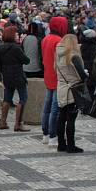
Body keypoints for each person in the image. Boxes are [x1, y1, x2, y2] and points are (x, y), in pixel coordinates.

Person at [0, 25, 30, 131]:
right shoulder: (16, 47)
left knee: (7, 98)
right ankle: (18, 124)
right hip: (18, 75)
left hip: (7, 75)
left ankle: (3, 122)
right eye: (16, 34)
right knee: (23, 98)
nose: (18, 35)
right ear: (12, 35)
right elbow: (26, 60)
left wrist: (3, 68)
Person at [55, 34, 87, 153]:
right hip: (73, 89)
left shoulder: (58, 55)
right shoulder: (73, 56)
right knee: (71, 119)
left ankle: (61, 144)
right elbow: (82, 75)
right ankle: (71, 145)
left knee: (62, 118)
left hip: (62, 88)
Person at [40, 16, 67, 145]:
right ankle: (52, 135)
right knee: (55, 109)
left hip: (47, 75)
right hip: (57, 77)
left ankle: (45, 133)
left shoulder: (45, 39)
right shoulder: (59, 41)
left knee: (47, 106)